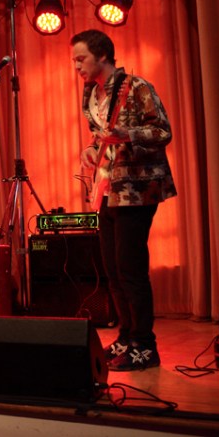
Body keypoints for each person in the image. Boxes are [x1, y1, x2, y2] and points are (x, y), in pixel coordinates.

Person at [71, 29, 176, 371]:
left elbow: (163, 131)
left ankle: (145, 345)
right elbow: (98, 136)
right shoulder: (91, 94)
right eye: (74, 61)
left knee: (131, 269)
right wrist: (91, 150)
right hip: (107, 188)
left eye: (81, 59)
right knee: (113, 270)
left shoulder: (137, 86)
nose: (77, 67)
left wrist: (126, 135)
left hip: (137, 188)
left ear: (102, 55)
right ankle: (127, 335)